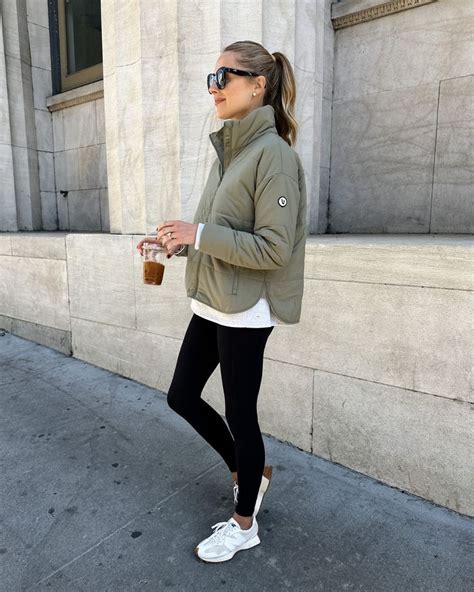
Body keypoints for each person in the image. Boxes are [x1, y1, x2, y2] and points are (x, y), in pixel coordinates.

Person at [136, 40, 307, 563]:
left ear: (258, 85)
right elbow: (219, 232)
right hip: (212, 297)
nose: (214, 88)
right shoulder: (229, 150)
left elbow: (274, 249)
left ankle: (244, 523)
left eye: (223, 77)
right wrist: (178, 240)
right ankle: (249, 473)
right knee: (181, 395)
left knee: (241, 413)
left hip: (246, 307)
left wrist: (200, 232)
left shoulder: (273, 155)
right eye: (211, 79)